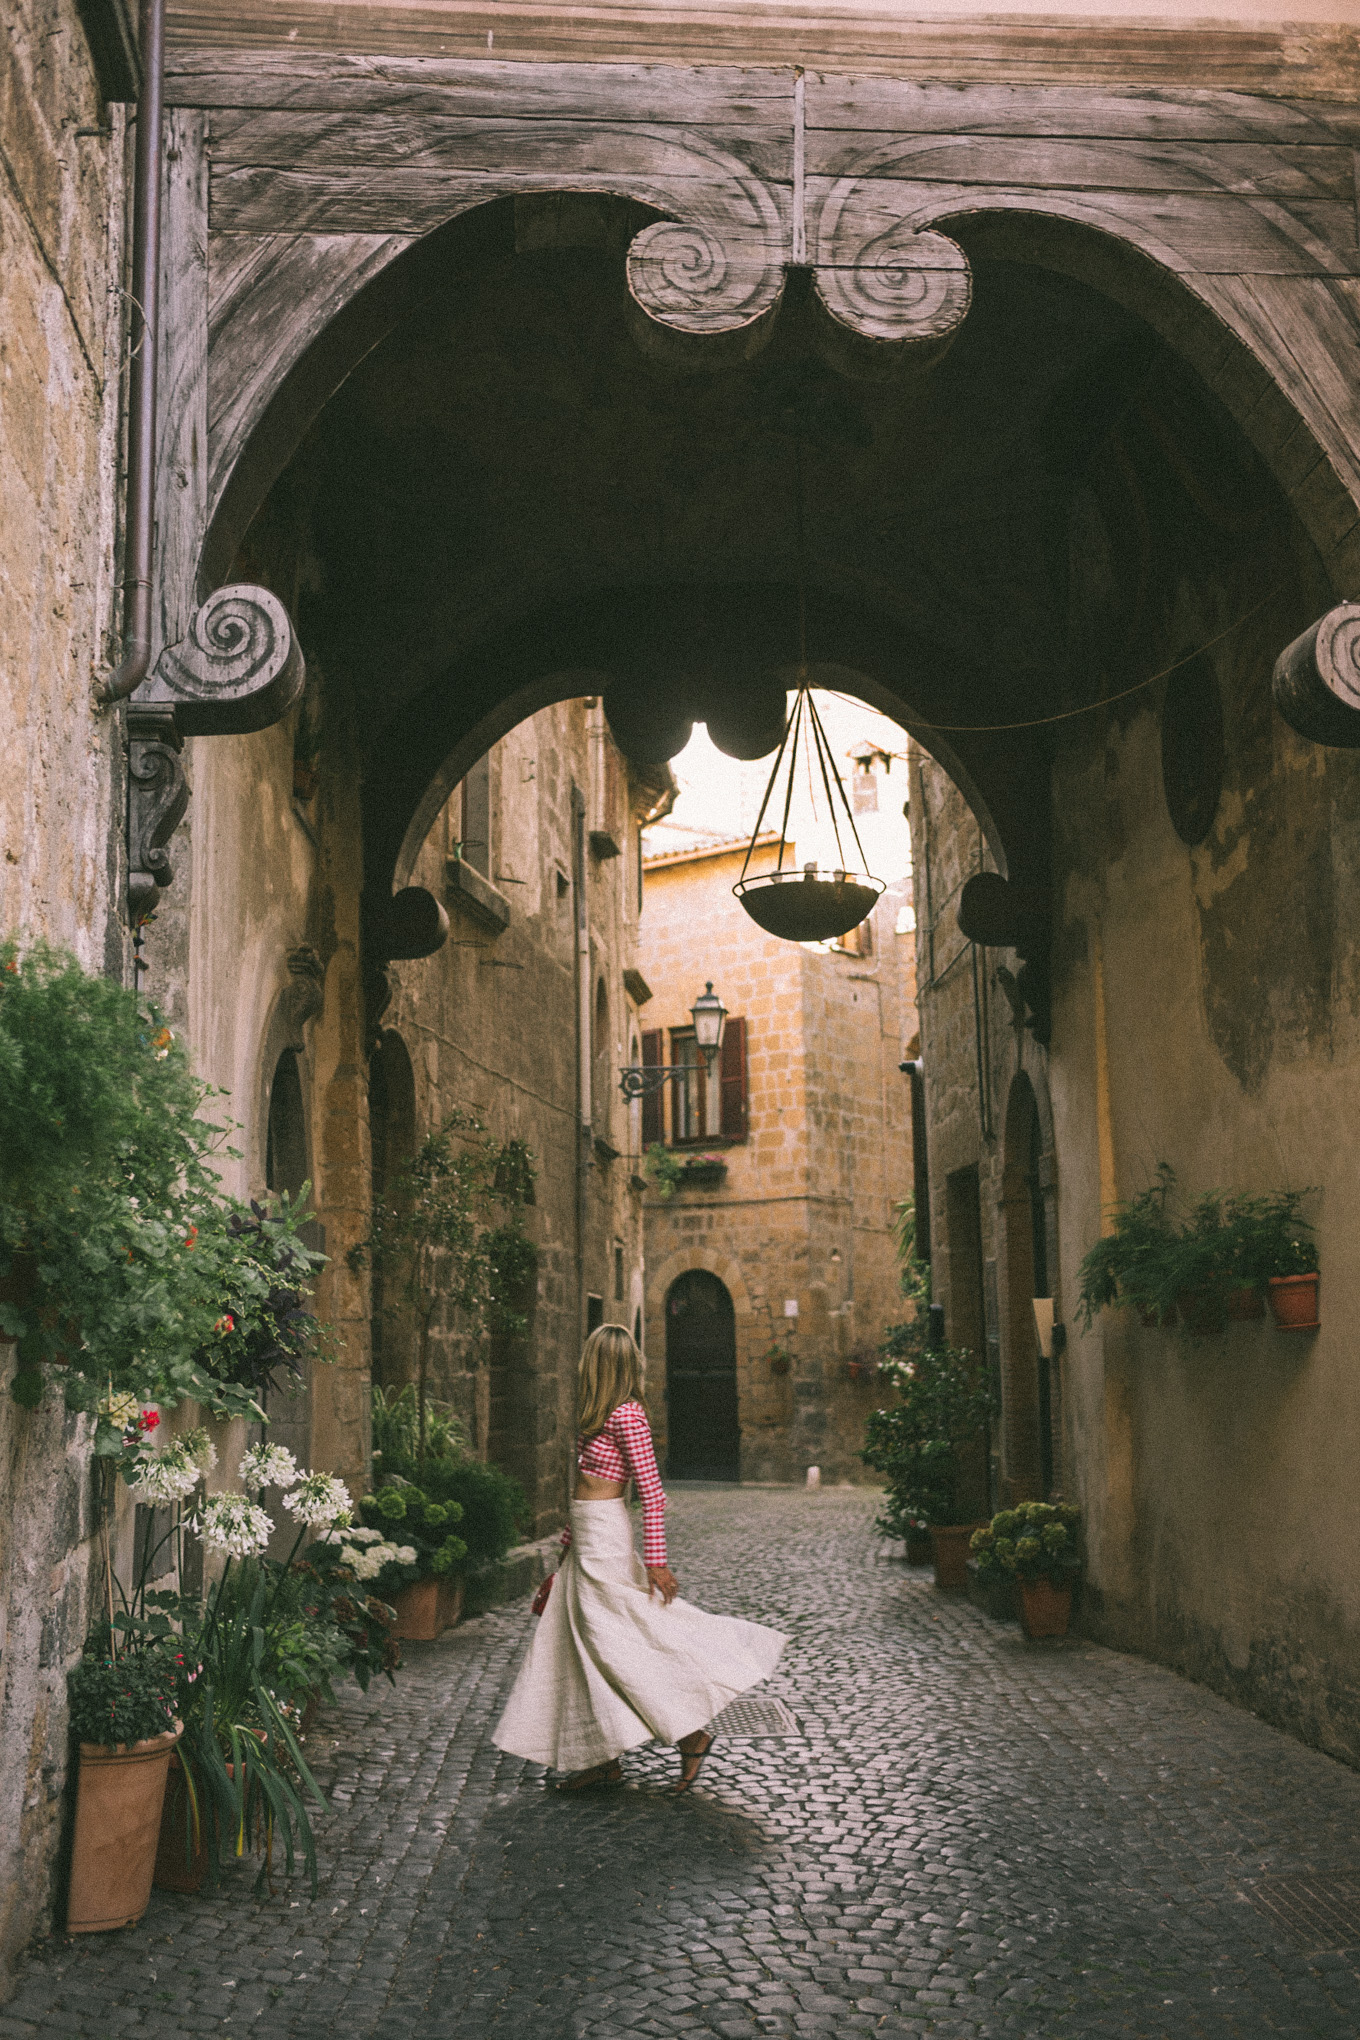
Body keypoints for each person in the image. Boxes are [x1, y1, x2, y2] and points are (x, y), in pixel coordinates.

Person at [492, 1323, 787, 1793]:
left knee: (617, 1642)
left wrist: (656, 1562)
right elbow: (581, 1497)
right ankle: (601, 1759)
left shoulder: (628, 1416)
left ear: (601, 1365)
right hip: (586, 1543)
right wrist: (563, 1556)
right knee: (576, 1649)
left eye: (590, 1359)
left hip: (606, 1542)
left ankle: (692, 1734)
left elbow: (652, 1494)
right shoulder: (597, 1419)